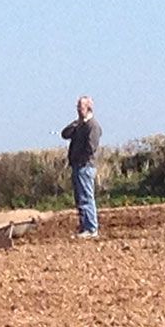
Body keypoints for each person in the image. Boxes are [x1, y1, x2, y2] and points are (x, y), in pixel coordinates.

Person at [61, 95, 102, 238]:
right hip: (77, 166)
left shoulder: (93, 126)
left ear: (89, 108)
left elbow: (91, 147)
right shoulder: (80, 125)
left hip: (85, 166)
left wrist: (80, 159)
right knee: (80, 198)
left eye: (81, 107)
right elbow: (64, 134)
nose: (79, 109)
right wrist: (76, 124)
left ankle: (91, 228)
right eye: (78, 107)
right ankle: (84, 227)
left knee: (86, 197)